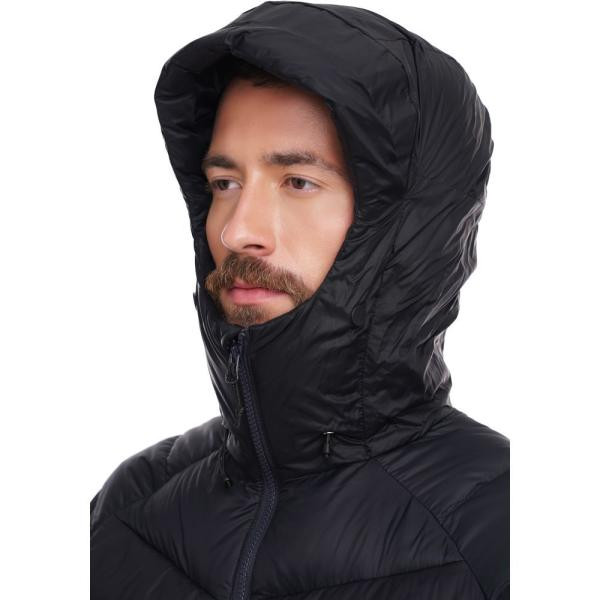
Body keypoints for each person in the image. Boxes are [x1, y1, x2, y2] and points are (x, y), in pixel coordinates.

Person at [90, 3, 510, 600]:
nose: (237, 230)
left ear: (406, 228)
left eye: (298, 182)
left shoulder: (504, 532)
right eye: (224, 183)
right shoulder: (128, 505)